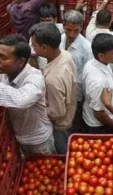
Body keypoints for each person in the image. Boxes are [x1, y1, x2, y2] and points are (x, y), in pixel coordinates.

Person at [30, 23, 77, 154]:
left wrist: (37, 110)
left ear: (44, 48)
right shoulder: (66, 55)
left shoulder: (52, 80)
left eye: (34, 45)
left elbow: (57, 112)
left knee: (63, 149)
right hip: (71, 112)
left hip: (61, 125)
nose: (33, 48)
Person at [82, 33, 113, 134]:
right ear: (101, 56)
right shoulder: (98, 82)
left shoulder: (93, 63)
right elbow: (99, 114)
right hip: (99, 125)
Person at [59, 10, 93, 132]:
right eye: (68, 30)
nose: (72, 34)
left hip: (76, 93)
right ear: (63, 26)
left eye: (76, 30)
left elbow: (87, 75)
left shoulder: (87, 48)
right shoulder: (60, 39)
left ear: (81, 28)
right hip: (59, 88)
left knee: (74, 118)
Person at [29, 3, 64, 69]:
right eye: (42, 20)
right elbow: (33, 59)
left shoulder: (62, 30)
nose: (45, 24)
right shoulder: (35, 35)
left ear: (55, 20)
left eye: (48, 20)